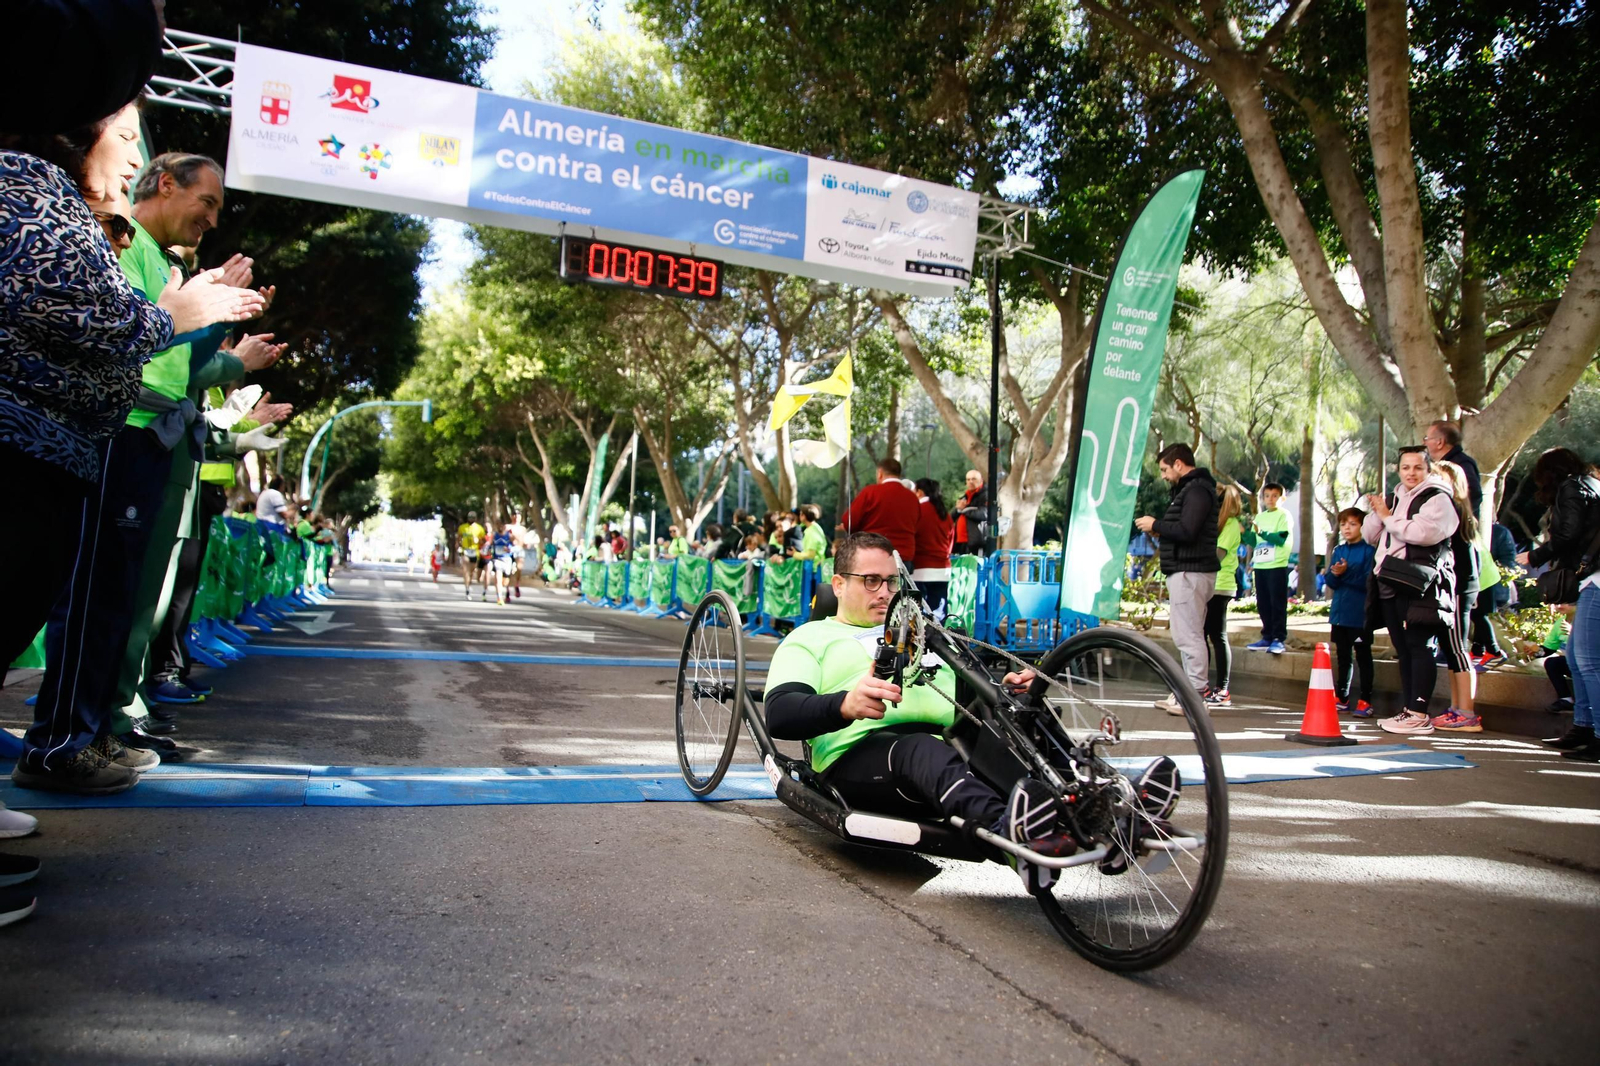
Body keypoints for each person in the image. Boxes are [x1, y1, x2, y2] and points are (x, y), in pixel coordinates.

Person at [762, 533, 1176, 867]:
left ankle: (1110, 806)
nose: (884, 591)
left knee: (1019, 708)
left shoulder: (917, 628)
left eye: (891, 581)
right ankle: (1013, 831)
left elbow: (967, 685)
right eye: (871, 580)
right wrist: (844, 704)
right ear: (839, 584)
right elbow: (780, 714)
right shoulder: (809, 638)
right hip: (858, 757)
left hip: (948, 739)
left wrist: (1007, 684)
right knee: (918, 750)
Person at [1363, 447, 1458, 735]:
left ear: (1428, 469)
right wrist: (1380, 513)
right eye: (1405, 467)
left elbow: (1422, 534)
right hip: (1389, 581)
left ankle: (1419, 711)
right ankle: (1409, 710)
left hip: (1420, 583)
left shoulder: (1437, 498)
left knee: (1419, 646)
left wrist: (1389, 517)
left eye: (1417, 467)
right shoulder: (1395, 498)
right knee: (1403, 648)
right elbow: (1371, 535)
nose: (1411, 473)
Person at [1518, 448, 1600, 761]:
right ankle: (1583, 726)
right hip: (1590, 577)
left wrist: (1537, 556)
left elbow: (1569, 533)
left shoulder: (1571, 487)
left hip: (1595, 578)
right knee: (1579, 660)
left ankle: (1594, 733)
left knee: (1588, 660)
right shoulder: (1589, 483)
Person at [1135, 444, 1220, 713]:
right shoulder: (1194, 489)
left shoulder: (1195, 490)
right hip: (1187, 570)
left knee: (1189, 634)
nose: (1162, 475)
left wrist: (1156, 525)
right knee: (1187, 633)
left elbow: (1188, 529)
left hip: (1189, 571)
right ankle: (1187, 692)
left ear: (1179, 464)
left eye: (1164, 469)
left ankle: (1195, 695)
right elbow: (1186, 528)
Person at [1431, 460, 1483, 732]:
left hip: (1460, 586)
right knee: (1452, 649)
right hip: (1456, 586)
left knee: (1458, 648)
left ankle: (1467, 711)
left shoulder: (1456, 510)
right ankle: (1457, 708)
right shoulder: (1456, 510)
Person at [1325, 507, 1376, 717]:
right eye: (1344, 524)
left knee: (1363, 655)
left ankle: (1365, 699)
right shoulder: (1338, 550)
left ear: (1363, 527)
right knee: (1342, 656)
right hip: (1339, 612)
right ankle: (1342, 697)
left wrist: (1345, 574)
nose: (1347, 528)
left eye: (1353, 524)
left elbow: (1368, 582)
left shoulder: (1369, 551)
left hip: (1360, 614)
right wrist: (1336, 574)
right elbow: (1330, 581)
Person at [1203, 484, 1244, 708]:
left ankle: (1222, 689)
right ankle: (1203, 686)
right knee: (1201, 636)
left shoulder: (1230, 525)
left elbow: (1216, 557)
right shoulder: (1217, 525)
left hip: (1220, 586)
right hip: (1208, 584)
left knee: (1217, 636)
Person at [838, 457, 921, 564]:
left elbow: (849, 521)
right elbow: (917, 525)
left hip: (874, 552)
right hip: (904, 556)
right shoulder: (913, 498)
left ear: (880, 473)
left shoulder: (870, 492)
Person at [1246, 482, 1292, 654]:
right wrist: (1245, 533)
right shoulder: (1259, 517)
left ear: (1282, 498)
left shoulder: (1284, 515)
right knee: (1263, 602)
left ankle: (1279, 638)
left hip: (1277, 564)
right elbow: (1253, 541)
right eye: (1267, 496)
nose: (1270, 499)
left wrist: (1263, 533)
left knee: (1277, 602)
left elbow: (1280, 538)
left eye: (1275, 496)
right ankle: (1267, 636)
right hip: (1261, 565)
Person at [1471, 521, 1517, 670]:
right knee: (1477, 614)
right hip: (1485, 576)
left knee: (1478, 615)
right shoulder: (1468, 529)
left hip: (1481, 578)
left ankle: (1494, 651)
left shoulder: (1460, 531)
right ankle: (1478, 651)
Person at [911, 478, 954, 616]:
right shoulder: (944, 514)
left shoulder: (917, 511)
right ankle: (938, 637)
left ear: (919, 492)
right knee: (938, 613)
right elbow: (951, 541)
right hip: (943, 568)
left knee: (919, 613)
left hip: (921, 567)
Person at [953, 469, 990, 556]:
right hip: (960, 541)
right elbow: (951, 516)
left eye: (974, 479)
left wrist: (964, 509)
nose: (970, 482)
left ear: (981, 480)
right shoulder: (966, 495)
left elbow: (985, 514)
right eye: (968, 479)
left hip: (976, 542)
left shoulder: (986, 494)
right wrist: (958, 509)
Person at [457, 511, 485, 598]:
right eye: (470, 517)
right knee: (466, 570)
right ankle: (467, 589)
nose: (471, 519)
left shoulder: (479, 528)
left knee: (472, 571)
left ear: (476, 518)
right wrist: (459, 545)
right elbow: (459, 538)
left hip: (475, 551)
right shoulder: (462, 527)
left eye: (473, 517)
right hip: (465, 551)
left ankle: (469, 583)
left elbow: (484, 541)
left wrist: (479, 541)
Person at [489, 522, 516, 605]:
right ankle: (499, 597)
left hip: (507, 559)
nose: (500, 527)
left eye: (502, 525)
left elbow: (514, 546)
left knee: (505, 581)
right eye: (498, 525)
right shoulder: (494, 535)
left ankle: (503, 590)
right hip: (497, 559)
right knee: (498, 578)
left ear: (505, 526)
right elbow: (490, 545)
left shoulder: (510, 535)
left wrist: (509, 549)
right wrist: (490, 551)